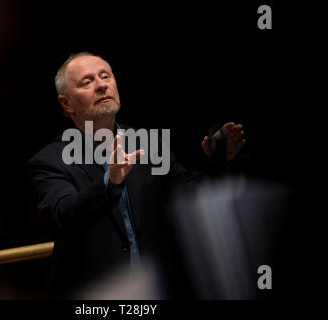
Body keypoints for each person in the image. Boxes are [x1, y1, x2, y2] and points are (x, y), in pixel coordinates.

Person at [27, 52, 246, 298]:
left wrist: (217, 161)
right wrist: (111, 181)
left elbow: (190, 193)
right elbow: (65, 215)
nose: (101, 85)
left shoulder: (147, 144)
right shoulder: (49, 161)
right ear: (66, 103)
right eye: (86, 82)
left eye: (105, 76)